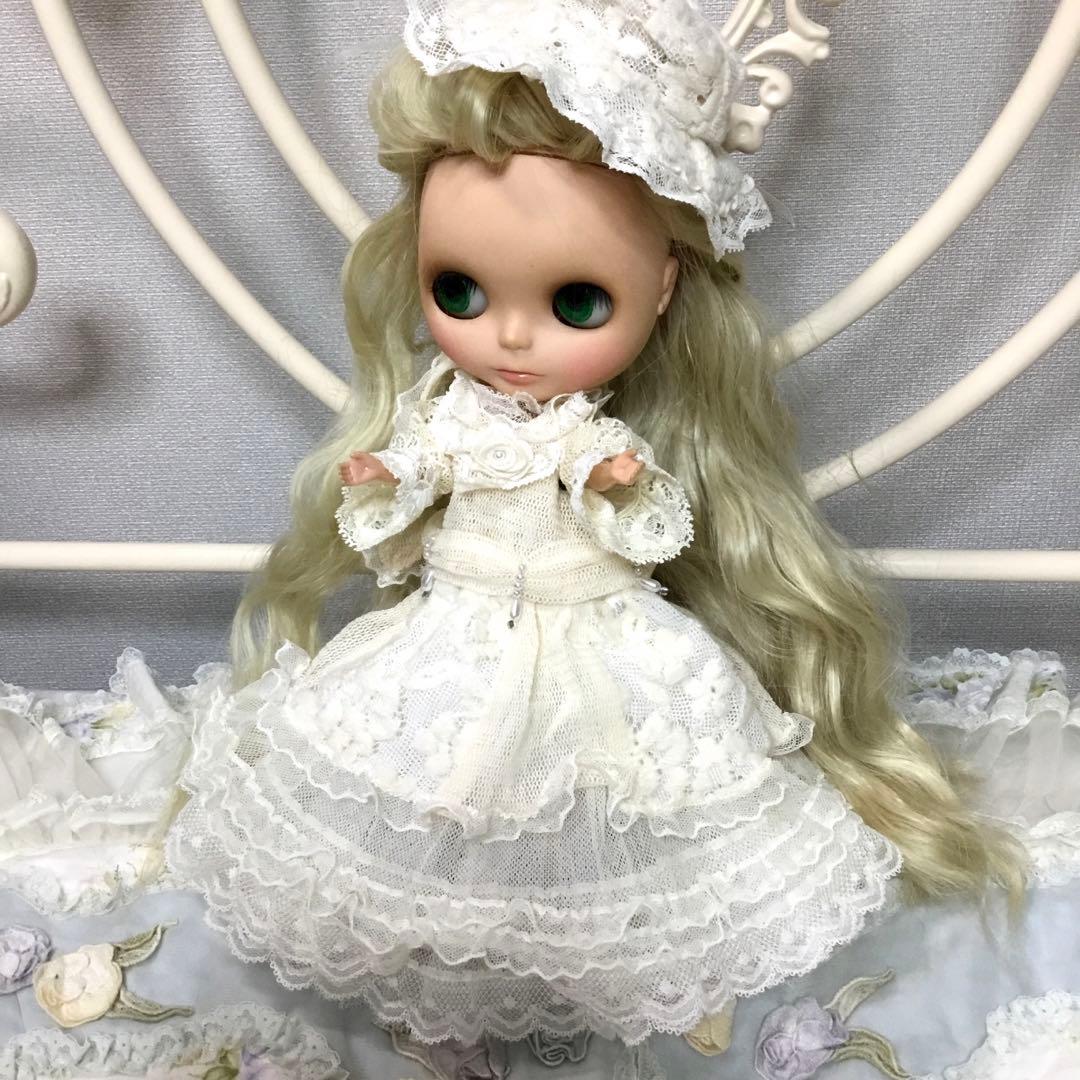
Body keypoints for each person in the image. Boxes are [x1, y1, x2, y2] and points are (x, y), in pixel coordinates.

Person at [165, 0, 1024, 1049]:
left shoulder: (584, 434)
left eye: (576, 303)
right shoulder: (448, 411)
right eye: (459, 290)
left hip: (592, 635)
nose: (510, 336)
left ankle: (603, 961)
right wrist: (389, 472)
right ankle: (451, 956)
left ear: (662, 289)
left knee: (614, 793)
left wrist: (616, 483)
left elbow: (646, 523)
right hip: (458, 626)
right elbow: (416, 483)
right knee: (433, 785)